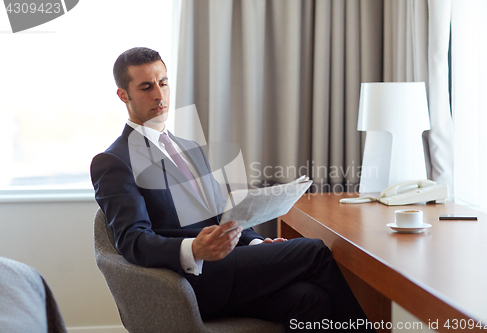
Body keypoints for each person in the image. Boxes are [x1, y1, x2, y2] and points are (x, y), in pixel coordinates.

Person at [91, 47, 371, 332]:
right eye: (146, 87)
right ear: (123, 95)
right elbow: (132, 240)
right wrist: (194, 249)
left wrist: (255, 244)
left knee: (310, 299)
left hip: (230, 269)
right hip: (188, 282)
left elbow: (221, 214)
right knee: (313, 252)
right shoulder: (114, 161)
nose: (159, 95)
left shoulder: (188, 147)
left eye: (163, 82)